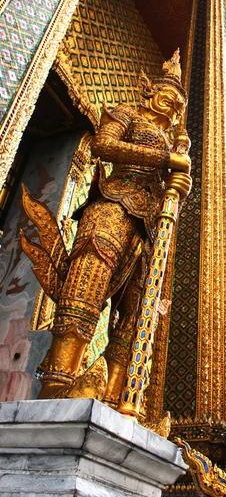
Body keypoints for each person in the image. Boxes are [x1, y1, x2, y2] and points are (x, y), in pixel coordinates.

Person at [23, 50, 192, 405]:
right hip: (112, 205)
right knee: (86, 289)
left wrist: (178, 185)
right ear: (150, 90)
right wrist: (163, 159)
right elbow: (104, 145)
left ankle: (119, 396)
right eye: (169, 96)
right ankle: (58, 379)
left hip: (147, 226)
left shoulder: (173, 141)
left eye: (179, 103)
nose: (174, 106)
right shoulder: (126, 115)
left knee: (135, 315)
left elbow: (165, 190)